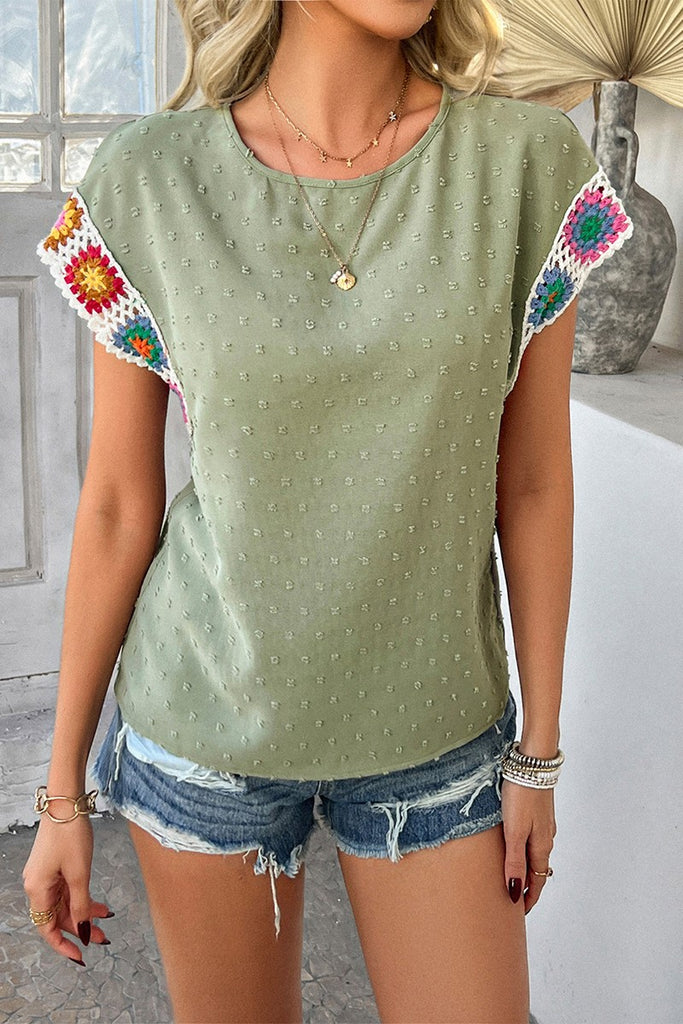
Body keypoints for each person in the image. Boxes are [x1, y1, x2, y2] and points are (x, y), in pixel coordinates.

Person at [22, 1, 633, 1021]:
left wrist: (537, 754)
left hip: (436, 727)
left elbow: (528, 482)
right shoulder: (149, 178)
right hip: (203, 724)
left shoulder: (524, 163)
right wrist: (62, 796)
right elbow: (121, 505)